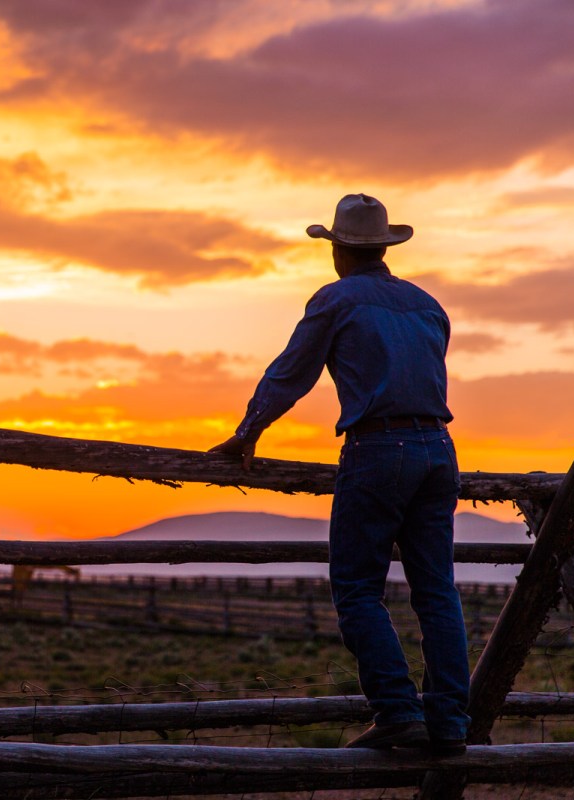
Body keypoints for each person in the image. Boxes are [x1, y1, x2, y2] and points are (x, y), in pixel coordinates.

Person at [209, 194, 470, 754]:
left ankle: (399, 712)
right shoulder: (427, 305)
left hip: (379, 447)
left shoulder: (336, 300)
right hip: (439, 447)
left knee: (356, 588)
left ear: (337, 250)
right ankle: (450, 723)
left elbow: (291, 373)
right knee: (436, 592)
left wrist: (250, 430)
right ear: (383, 246)